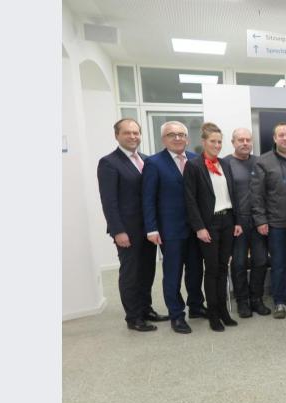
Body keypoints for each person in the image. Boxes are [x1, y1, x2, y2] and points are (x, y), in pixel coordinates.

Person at [97, 118, 168, 332]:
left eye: (136, 132)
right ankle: (133, 317)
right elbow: (108, 201)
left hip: (148, 228)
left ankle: (146, 309)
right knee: (131, 273)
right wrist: (118, 231)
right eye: (127, 133)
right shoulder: (109, 162)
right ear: (117, 135)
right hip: (127, 230)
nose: (133, 136)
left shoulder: (146, 160)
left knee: (147, 271)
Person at [142, 121, 206, 334]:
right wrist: (151, 228)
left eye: (181, 134)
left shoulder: (197, 160)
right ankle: (177, 315)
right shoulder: (154, 163)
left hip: (195, 228)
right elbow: (148, 199)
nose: (177, 138)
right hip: (170, 230)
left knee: (196, 271)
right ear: (164, 139)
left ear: (188, 138)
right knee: (173, 273)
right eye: (172, 135)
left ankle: (196, 306)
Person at [183, 122, 242, 332]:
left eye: (219, 141)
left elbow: (231, 195)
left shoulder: (224, 164)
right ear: (204, 142)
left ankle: (225, 311)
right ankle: (214, 313)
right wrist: (199, 227)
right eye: (213, 141)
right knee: (212, 269)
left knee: (224, 267)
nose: (217, 145)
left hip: (227, 221)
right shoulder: (194, 166)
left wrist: (236, 221)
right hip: (209, 224)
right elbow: (189, 199)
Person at [251, 122, 286, 318]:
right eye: (281, 135)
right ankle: (280, 301)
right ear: (275, 139)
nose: (285, 138)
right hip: (275, 224)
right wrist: (260, 220)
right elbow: (257, 195)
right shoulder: (263, 162)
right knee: (278, 263)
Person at [223, 128, 271, 318]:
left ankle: (256, 299)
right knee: (240, 262)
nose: (245, 143)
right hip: (237, 222)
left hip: (259, 219)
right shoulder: (226, 163)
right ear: (233, 142)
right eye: (240, 140)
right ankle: (242, 301)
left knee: (260, 260)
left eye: (248, 140)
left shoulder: (260, 162)